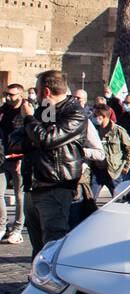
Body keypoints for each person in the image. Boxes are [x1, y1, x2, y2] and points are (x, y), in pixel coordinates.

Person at [5, 70, 86, 257]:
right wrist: (34, 137)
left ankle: (53, 284)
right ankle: (36, 283)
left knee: (53, 244)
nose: (34, 94)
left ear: (46, 91)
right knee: (37, 246)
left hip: (55, 186)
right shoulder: (46, 110)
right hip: (33, 184)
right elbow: (15, 141)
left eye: (37, 89)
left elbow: (46, 139)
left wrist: (29, 120)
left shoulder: (74, 112)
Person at [89, 103, 130, 199]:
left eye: (95, 115)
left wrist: (127, 165)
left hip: (113, 172)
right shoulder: (93, 130)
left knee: (119, 199)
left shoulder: (118, 131)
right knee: (90, 200)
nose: (93, 118)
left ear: (104, 116)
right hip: (96, 171)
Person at [1, 84, 27, 244]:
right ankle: (1, 225)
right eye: (7, 94)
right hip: (2, 157)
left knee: (19, 195)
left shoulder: (27, 111)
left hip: (19, 158)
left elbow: (31, 136)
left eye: (12, 94)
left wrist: (23, 158)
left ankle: (17, 228)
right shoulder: (3, 111)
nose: (9, 97)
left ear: (20, 94)